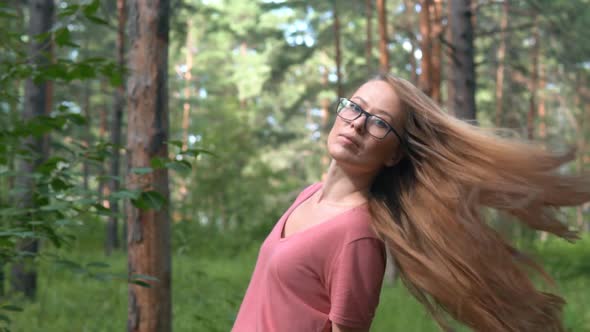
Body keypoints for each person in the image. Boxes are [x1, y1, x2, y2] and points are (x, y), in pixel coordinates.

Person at [231, 73, 590, 332]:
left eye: (379, 124)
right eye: (355, 108)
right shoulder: (307, 195)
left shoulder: (357, 236)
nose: (357, 124)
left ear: (393, 155)